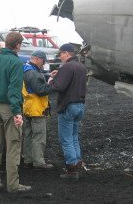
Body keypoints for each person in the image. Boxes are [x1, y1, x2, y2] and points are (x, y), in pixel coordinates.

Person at [0, 31, 32, 192]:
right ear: (17, 45)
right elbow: (14, 90)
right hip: (10, 108)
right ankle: (13, 185)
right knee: (13, 147)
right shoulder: (16, 63)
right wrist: (17, 112)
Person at [49, 43, 87, 180]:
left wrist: (51, 80)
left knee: (65, 139)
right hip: (80, 106)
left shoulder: (67, 66)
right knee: (74, 137)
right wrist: (59, 74)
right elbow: (73, 80)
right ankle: (78, 163)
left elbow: (59, 86)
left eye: (60, 54)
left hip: (68, 106)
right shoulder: (81, 67)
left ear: (66, 53)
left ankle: (72, 169)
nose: (60, 57)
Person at [21, 50, 53, 170]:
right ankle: (39, 162)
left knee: (29, 134)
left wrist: (48, 76)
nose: (43, 64)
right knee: (39, 136)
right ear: (38, 59)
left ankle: (28, 159)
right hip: (37, 108)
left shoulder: (27, 69)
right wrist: (51, 84)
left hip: (28, 107)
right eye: (43, 61)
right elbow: (40, 90)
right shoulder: (33, 73)